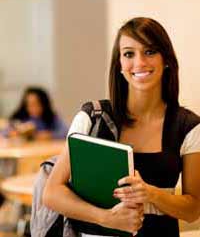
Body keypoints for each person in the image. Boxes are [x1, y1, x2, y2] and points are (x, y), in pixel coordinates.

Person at [42, 17, 200, 237]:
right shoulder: (92, 116)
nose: (139, 63)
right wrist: (106, 218)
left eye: (150, 51)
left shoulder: (188, 126)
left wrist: (151, 194)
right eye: (128, 54)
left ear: (166, 60)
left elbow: (193, 209)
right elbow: (51, 193)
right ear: (119, 65)